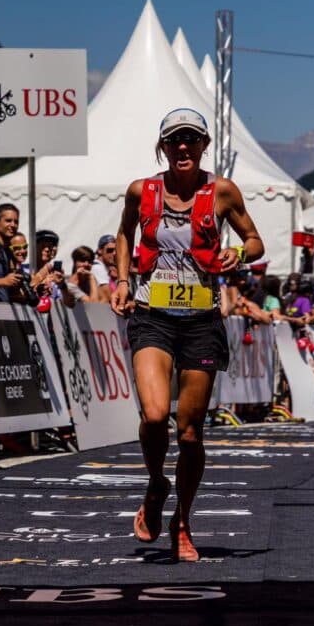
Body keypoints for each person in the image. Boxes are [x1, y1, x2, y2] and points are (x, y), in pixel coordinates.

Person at [111, 107, 264, 562]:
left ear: (203, 146)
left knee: (192, 433)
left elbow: (255, 241)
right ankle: (157, 481)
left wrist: (240, 254)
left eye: (191, 139)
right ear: (163, 146)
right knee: (156, 415)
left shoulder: (221, 192)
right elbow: (123, 235)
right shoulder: (143, 191)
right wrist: (122, 281)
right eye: (174, 140)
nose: (183, 147)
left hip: (200, 319)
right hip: (153, 315)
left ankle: (182, 520)